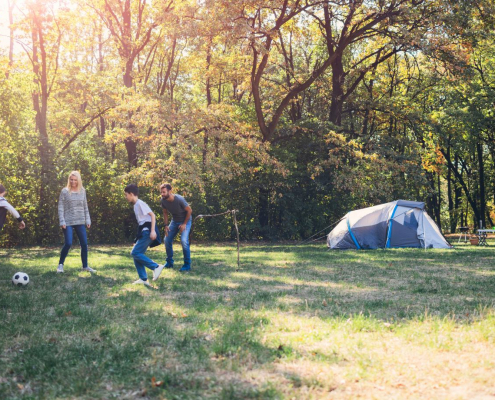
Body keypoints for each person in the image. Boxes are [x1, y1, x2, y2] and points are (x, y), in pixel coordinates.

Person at [124, 184, 165, 286]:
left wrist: (152, 231)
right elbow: (141, 223)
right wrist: (136, 239)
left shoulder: (140, 203)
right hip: (143, 232)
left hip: (148, 232)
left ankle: (155, 267)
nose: (126, 197)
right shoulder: (136, 205)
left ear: (131, 194)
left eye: (126, 195)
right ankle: (143, 278)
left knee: (135, 253)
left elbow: (152, 215)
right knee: (137, 254)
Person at [57, 171, 95, 273]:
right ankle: (60, 265)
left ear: (78, 180)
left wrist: (88, 219)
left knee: (84, 244)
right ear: (69, 180)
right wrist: (62, 221)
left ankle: (85, 266)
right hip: (67, 221)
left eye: (75, 180)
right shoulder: (64, 191)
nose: (73, 181)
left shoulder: (82, 191)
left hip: (80, 220)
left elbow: (85, 206)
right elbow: (60, 207)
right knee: (68, 243)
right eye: (71, 179)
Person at [160, 183, 192, 271]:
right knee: (167, 240)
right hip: (175, 221)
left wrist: (184, 224)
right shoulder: (163, 200)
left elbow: (189, 211)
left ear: (170, 191)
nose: (162, 194)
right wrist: (166, 225)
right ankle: (169, 262)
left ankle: (187, 265)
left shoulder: (179, 199)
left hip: (186, 220)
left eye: (164, 192)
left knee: (184, 240)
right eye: (161, 192)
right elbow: (165, 213)